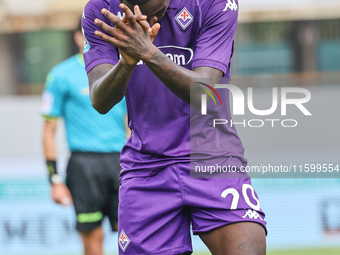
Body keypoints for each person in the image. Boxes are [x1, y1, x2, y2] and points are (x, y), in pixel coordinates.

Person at [82, 0, 267, 254]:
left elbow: (205, 93)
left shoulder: (214, 3)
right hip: (147, 166)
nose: (136, 13)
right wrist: (126, 62)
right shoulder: (100, 9)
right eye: (127, 3)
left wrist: (147, 52)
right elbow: (99, 100)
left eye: (142, 4)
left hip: (213, 157)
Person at [41, 20, 129, 255]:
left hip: (121, 162)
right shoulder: (60, 75)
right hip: (83, 166)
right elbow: (49, 131)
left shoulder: (124, 69)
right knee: (92, 240)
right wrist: (54, 180)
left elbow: (132, 124)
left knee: (132, 236)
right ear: (78, 38)